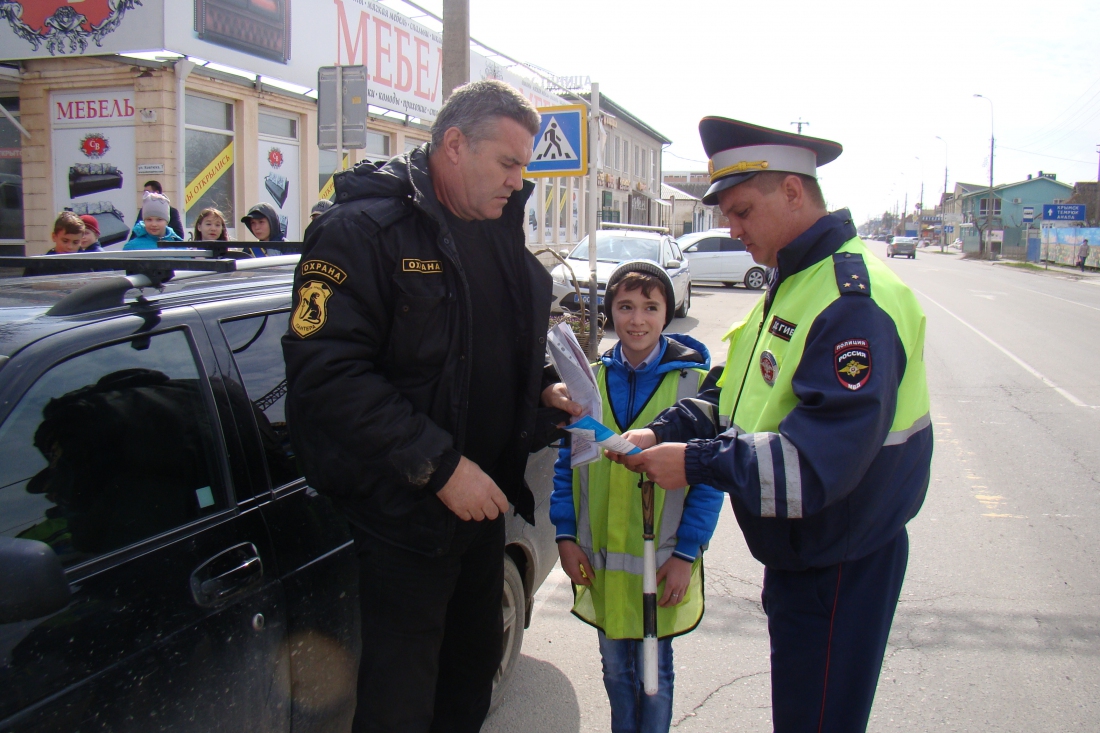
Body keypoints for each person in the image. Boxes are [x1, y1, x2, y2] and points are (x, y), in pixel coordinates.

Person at [608, 117, 933, 733]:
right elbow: (736, 396)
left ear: (792, 191)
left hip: (840, 560)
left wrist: (694, 462)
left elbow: (814, 465)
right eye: (727, 215)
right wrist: (665, 430)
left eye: (742, 212)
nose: (733, 229)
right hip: (806, 556)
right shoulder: (796, 279)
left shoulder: (851, 302)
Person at [281, 80, 581, 733]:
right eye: (508, 163)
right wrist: (440, 467)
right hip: (404, 518)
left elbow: (498, 338)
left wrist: (543, 385)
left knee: (469, 682)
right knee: (401, 704)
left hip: (481, 508)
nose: (519, 180)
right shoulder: (361, 231)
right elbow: (326, 373)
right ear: (453, 145)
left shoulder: (495, 224)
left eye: (524, 165)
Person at [551, 262, 723, 733]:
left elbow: (710, 479)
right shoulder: (587, 382)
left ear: (669, 312)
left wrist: (686, 554)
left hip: (663, 563)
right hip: (603, 564)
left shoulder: (694, 385)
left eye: (651, 307)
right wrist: (565, 536)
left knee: (654, 676)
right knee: (614, 671)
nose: (638, 319)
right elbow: (568, 466)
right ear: (610, 313)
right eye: (625, 307)